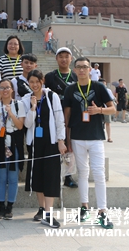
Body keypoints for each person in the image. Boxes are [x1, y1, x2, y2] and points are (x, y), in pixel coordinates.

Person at [63, 57, 116, 229]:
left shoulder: (98, 87)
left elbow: (113, 109)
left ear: (90, 69)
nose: (81, 70)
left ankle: (102, 211)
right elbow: (67, 116)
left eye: (85, 67)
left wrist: (99, 110)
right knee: (82, 173)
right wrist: (67, 139)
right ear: (74, 70)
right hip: (77, 137)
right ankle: (84, 207)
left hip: (96, 137)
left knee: (99, 174)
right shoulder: (70, 89)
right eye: (78, 67)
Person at [23, 69, 67, 228]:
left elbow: (59, 119)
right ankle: (42, 209)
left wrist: (61, 140)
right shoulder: (26, 99)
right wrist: (33, 108)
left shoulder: (52, 96)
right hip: (35, 143)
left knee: (51, 176)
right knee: (37, 175)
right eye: (31, 82)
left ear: (42, 81)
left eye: (37, 81)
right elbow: (27, 124)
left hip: (51, 142)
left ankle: (49, 213)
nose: (34, 85)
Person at [43, 46, 79, 189]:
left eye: (66, 56)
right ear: (56, 58)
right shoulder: (50, 76)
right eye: (61, 56)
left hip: (72, 116)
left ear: (71, 59)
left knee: (69, 146)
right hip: (54, 117)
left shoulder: (76, 76)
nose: (64, 59)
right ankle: (53, 175)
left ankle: (68, 176)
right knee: (55, 145)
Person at [0, 79, 25, 220]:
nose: (5, 90)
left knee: (12, 177)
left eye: (7, 87)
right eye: (2, 88)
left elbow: (20, 126)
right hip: (1, 144)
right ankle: (1, 206)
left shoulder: (19, 105)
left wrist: (11, 113)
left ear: (12, 89)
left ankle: (10, 206)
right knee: (1, 177)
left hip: (15, 143)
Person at [98, 78, 116, 142]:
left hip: (106, 109)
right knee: (98, 123)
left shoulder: (108, 91)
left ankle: (109, 137)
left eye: (104, 83)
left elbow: (112, 99)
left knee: (108, 123)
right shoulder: (96, 90)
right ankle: (99, 137)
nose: (103, 85)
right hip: (98, 109)